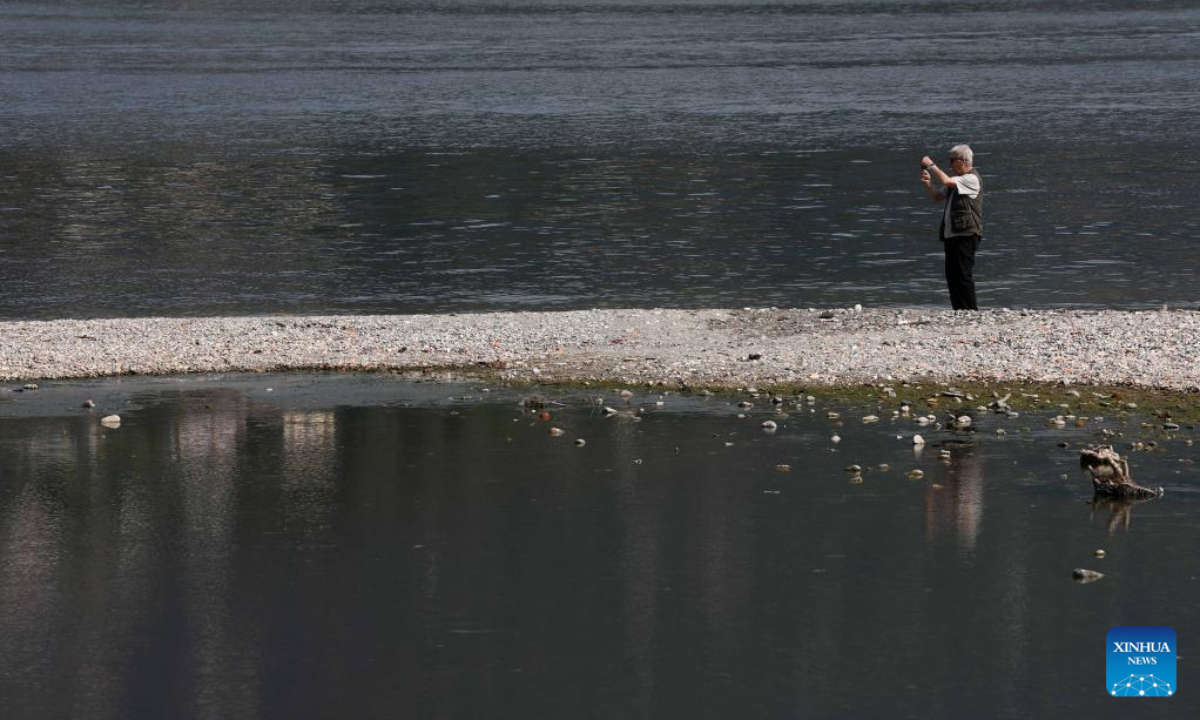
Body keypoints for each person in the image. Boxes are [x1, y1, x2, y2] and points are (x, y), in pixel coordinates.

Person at [920, 145, 983, 310]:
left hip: (967, 233)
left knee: (963, 274)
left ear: (962, 161)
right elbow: (938, 196)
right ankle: (959, 310)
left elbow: (946, 180)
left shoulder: (971, 179)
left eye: (952, 160)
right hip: (952, 234)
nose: (950, 164)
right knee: (952, 275)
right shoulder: (957, 180)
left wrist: (931, 165)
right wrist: (928, 184)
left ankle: (971, 310)